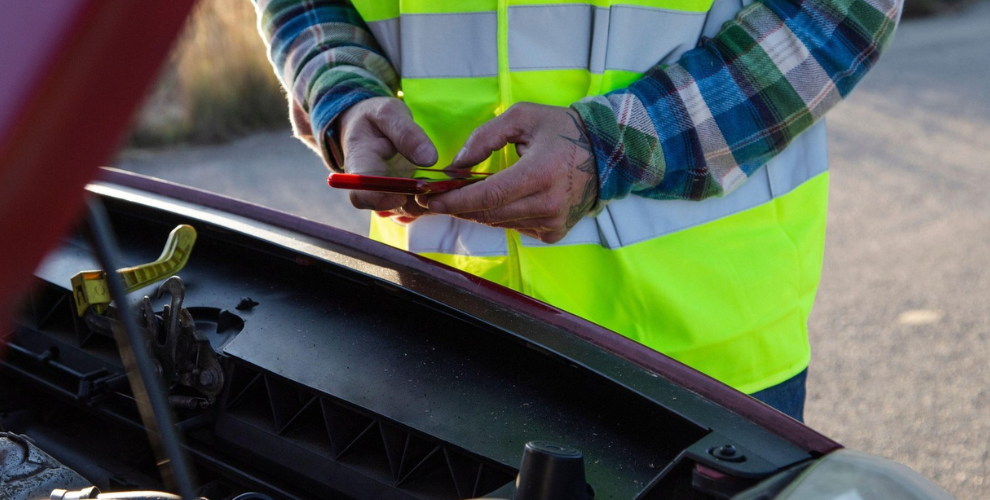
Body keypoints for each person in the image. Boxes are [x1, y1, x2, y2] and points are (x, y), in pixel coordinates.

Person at [252, 0, 902, 421]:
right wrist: (341, 90)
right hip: (440, 332)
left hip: (701, 362)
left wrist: (619, 145)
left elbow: (842, 11)